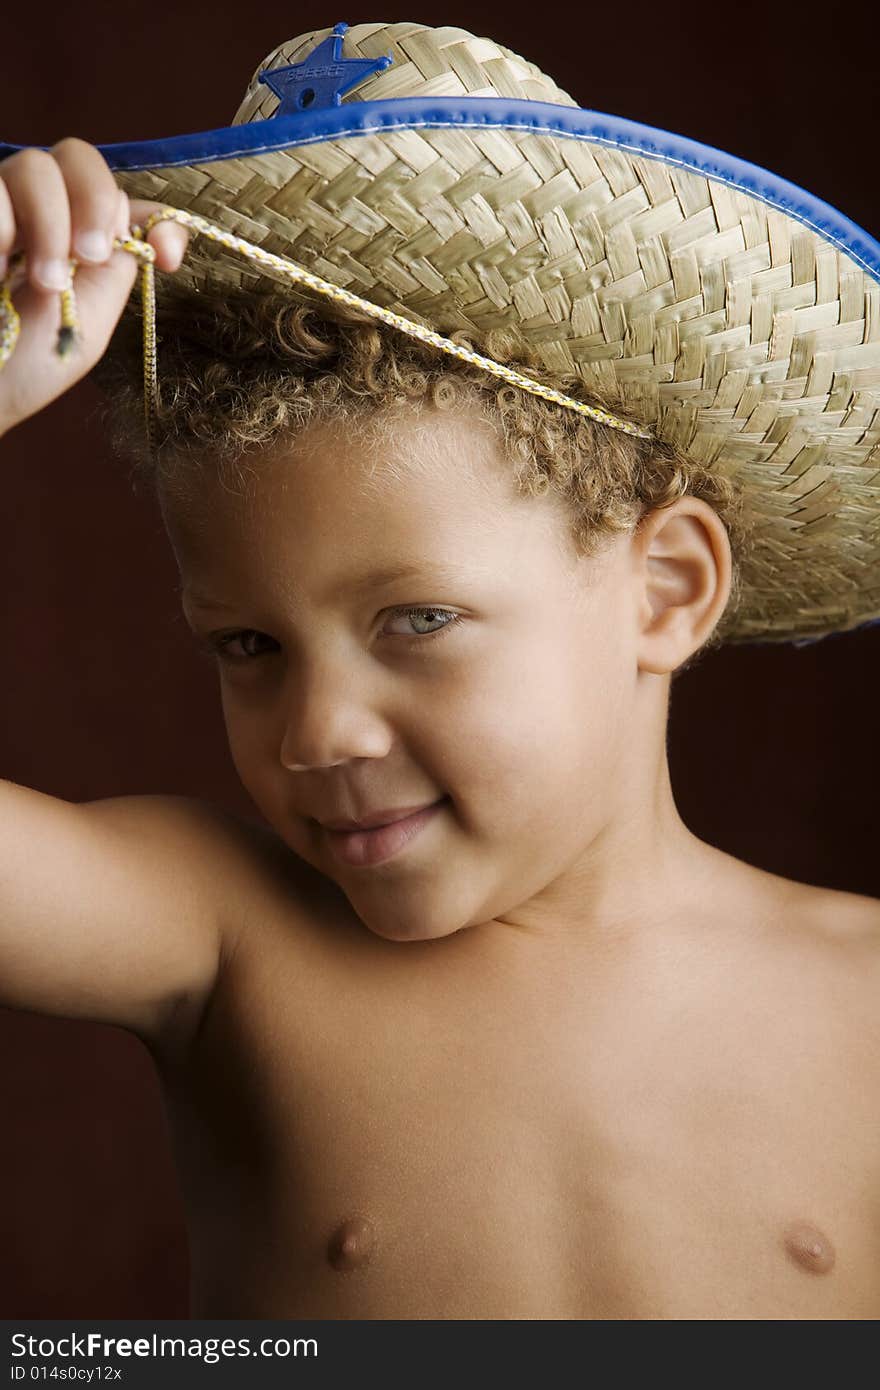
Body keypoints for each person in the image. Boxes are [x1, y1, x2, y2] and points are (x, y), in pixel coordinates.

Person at [1, 19, 879, 1320]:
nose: (319, 731)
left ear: (667, 587)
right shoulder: (226, 944)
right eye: (249, 645)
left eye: (415, 620)